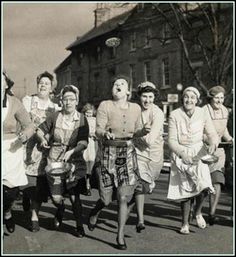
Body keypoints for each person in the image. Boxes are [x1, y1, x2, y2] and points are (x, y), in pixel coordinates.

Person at [87, 75, 146, 250]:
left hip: (127, 154)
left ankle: (119, 236)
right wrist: (104, 133)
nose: (118, 86)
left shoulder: (136, 108)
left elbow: (137, 131)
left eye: (122, 84)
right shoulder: (105, 105)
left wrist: (144, 131)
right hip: (108, 154)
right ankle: (95, 211)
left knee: (122, 197)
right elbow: (98, 129)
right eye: (115, 84)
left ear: (128, 91)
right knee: (106, 199)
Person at [36, 85, 89, 237]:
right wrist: (42, 139)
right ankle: (60, 209)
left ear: (77, 101)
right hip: (55, 161)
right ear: (61, 101)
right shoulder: (55, 116)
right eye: (65, 99)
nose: (68, 102)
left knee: (74, 195)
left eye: (71, 99)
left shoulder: (82, 119)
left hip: (74, 161)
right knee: (56, 197)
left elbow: (84, 142)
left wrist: (73, 150)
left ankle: (79, 226)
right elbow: (40, 130)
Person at [167, 86, 219, 235]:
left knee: (204, 186)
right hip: (180, 153)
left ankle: (197, 212)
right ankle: (184, 223)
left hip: (199, 152)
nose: (189, 100)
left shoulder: (203, 113)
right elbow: (171, 140)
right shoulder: (175, 115)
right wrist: (183, 154)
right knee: (185, 190)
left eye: (192, 97)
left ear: (197, 100)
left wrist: (213, 143)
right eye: (186, 97)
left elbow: (212, 133)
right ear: (183, 99)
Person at [21, 71, 60, 232]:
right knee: (27, 182)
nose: (43, 85)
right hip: (29, 147)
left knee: (39, 186)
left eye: (46, 83)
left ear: (52, 88)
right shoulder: (28, 101)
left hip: (46, 150)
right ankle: (26, 198)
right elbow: (25, 122)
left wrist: (49, 139)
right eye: (40, 82)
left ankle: (34, 216)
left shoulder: (55, 106)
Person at [2, 71, 34, 233]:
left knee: (11, 192)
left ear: (6, 84)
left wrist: (24, 135)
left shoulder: (15, 102)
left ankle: (6, 211)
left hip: (11, 148)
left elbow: (29, 125)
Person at [131, 81, 164, 232]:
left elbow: (150, 140)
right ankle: (140, 220)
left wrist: (136, 135)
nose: (147, 100)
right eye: (144, 96)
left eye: (150, 97)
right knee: (140, 185)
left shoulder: (157, 113)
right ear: (139, 96)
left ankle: (148, 185)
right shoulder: (135, 111)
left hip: (155, 153)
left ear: (154, 97)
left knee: (147, 184)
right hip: (139, 152)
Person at [203, 85, 233, 225]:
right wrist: (208, 140)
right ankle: (196, 210)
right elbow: (198, 131)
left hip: (219, 151)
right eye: (217, 98)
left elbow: (224, 129)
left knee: (217, 180)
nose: (219, 101)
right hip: (204, 150)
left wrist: (229, 139)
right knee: (202, 184)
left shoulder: (225, 111)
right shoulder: (203, 111)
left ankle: (212, 213)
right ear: (211, 98)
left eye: (222, 98)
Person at [81, 103, 98, 196]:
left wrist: (95, 134)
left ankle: (89, 183)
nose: (88, 115)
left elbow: (98, 131)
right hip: (84, 142)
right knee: (83, 163)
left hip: (92, 143)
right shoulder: (82, 120)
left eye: (90, 113)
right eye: (87, 112)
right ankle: (85, 185)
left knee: (91, 163)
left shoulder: (95, 120)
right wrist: (88, 134)